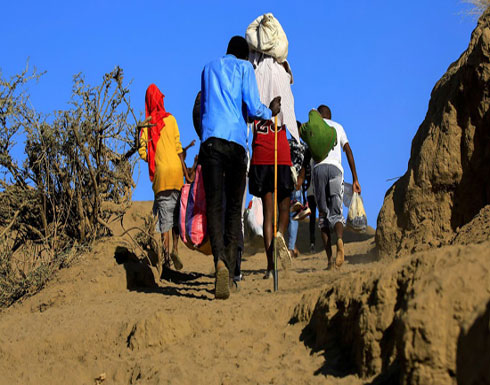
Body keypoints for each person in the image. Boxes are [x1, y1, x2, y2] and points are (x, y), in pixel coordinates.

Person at [200, 36, 281, 299]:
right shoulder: (245, 68)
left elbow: (204, 107)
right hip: (236, 144)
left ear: (226, 51)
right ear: (245, 55)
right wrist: (270, 111)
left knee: (214, 205)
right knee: (234, 208)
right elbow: (253, 107)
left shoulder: (208, 68)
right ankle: (233, 271)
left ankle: (219, 263)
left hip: (211, 141)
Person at [248, 50, 298, 280]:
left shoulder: (252, 74)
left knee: (268, 213)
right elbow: (290, 78)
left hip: (261, 153)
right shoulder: (281, 73)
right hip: (280, 152)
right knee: (285, 208)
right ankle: (280, 234)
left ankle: (270, 267)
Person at [138, 84, 190, 272]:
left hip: (161, 177)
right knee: (176, 216)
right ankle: (176, 249)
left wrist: (153, 157)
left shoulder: (146, 126)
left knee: (164, 222)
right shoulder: (172, 119)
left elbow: (142, 152)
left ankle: (167, 259)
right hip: (176, 173)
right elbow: (178, 148)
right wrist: (185, 173)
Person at [313, 105, 361, 269]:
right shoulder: (338, 127)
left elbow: (307, 153)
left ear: (319, 116)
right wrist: (355, 178)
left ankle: (329, 261)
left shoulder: (316, 127)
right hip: (335, 170)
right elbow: (348, 150)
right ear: (330, 116)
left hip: (318, 170)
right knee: (336, 212)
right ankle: (340, 240)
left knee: (323, 216)